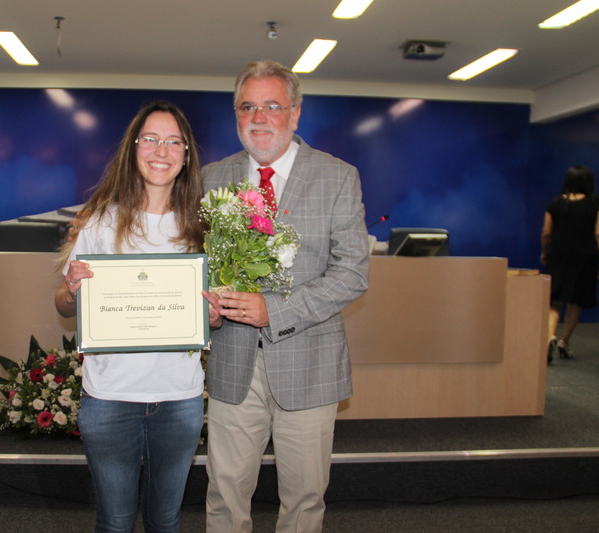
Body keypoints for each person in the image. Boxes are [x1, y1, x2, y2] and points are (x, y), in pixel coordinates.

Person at [201, 60, 370, 532]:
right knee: (224, 493)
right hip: (232, 363)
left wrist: (273, 311)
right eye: (248, 106)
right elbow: (195, 266)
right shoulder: (210, 179)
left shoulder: (338, 177)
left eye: (272, 106)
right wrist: (204, 306)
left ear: (295, 113)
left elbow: (353, 273)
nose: (260, 117)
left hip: (310, 365)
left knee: (304, 499)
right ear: (236, 114)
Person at [55, 100, 211, 533]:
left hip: (178, 399)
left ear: (185, 155)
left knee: (166, 521)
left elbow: (208, 318)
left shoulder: (201, 228)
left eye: (173, 141)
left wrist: (212, 312)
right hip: (109, 399)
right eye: (151, 139)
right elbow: (65, 306)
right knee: (116, 522)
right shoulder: (102, 222)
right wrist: (72, 291)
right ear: (133, 147)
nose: (161, 150)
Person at [541, 164, 599, 363]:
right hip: (585, 257)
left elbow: (546, 232)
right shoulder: (596, 204)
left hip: (558, 255)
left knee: (554, 300)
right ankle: (564, 342)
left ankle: (549, 335)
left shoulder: (555, 204)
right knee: (576, 300)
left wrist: (545, 252)